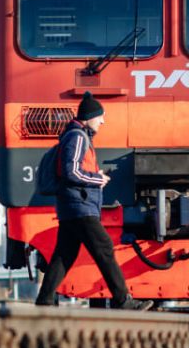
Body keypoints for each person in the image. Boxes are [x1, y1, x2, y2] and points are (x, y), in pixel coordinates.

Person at [35, 92, 152, 310]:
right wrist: (97, 179)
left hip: (74, 205)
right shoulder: (77, 137)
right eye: (100, 117)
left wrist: (93, 174)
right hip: (79, 205)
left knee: (65, 254)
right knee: (105, 247)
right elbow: (70, 172)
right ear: (89, 117)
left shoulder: (76, 136)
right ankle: (122, 301)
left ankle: (44, 301)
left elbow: (74, 169)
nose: (103, 121)